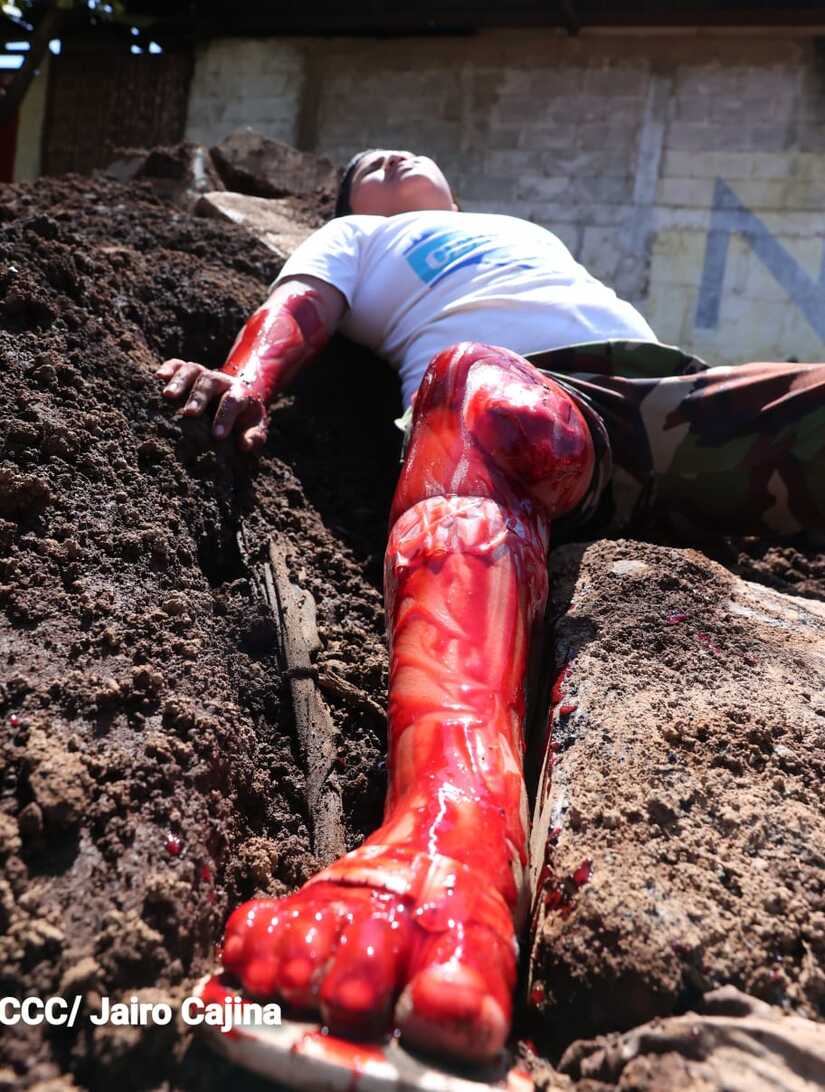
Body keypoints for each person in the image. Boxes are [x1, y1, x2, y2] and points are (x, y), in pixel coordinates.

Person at [156, 150, 825, 1065]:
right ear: (344, 201)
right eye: (362, 166)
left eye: (404, 157)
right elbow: (298, 308)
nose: (389, 155)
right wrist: (246, 379)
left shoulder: (519, 232)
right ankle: (451, 839)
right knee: (477, 386)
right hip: (529, 418)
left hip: (669, 400)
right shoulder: (360, 236)